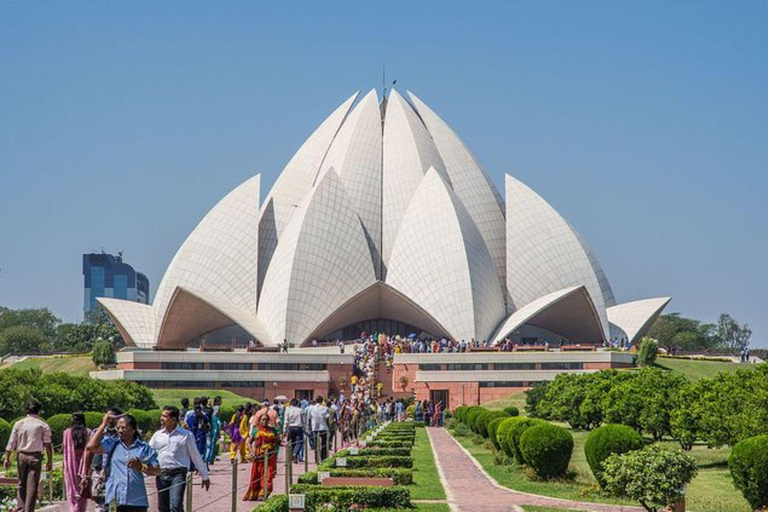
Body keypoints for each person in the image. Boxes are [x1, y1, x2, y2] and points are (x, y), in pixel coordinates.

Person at [86, 413, 160, 512]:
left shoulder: (144, 448)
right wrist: (103, 424)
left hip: (137, 501)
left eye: (123, 428)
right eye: (118, 428)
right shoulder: (112, 443)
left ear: (133, 429)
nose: (120, 431)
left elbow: (157, 470)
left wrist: (141, 467)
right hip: (114, 500)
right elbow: (91, 447)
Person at [149, 406, 210, 512]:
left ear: (173, 419)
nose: (161, 418)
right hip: (161, 474)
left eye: (164, 416)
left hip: (178, 474)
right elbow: (148, 453)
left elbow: (195, 455)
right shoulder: (157, 435)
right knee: (163, 508)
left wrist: (204, 475)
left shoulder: (186, 435)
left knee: (175, 506)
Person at [3, 400, 52, 512]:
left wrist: (7, 458)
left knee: (21, 484)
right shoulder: (42, 425)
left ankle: (20, 509)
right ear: (39, 411)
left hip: (21, 456)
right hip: (35, 456)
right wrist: (49, 461)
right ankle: (29, 510)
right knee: (32, 487)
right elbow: (48, 444)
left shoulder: (19, 423)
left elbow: (11, 442)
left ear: (27, 410)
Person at [80, 406, 122, 512]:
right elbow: (89, 452)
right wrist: (86, 474)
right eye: (108, 417)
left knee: (113, 504)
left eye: (113, 418)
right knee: (99, 501)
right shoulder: (97, 433)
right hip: (98, 472)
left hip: (115, 474)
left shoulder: (121, 434)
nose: (110, 420)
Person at [242, 413, 278, 501]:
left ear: (268, 420)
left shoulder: (273, 430)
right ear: (259, 421)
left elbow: (277, 441)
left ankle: (263, 493)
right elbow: (249, 442)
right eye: (262, 419)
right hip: (259, 458)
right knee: (257, 475)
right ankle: (256, 493)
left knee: (268, 476)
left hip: (270, 457)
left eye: (266, 419)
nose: (264, 421)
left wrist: (283, 444)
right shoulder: (256, 430)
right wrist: (252, 453)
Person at [63, 412, 91, 512]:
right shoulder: (88, 432)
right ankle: (81, 509)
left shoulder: (67, 433)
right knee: (83, 489)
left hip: (71, 465)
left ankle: (73, 509)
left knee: (72, 488)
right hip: (84, 464)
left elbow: (65, 451)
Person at [186, 404, 209, 473]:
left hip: (201, 437)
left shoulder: (204, 417)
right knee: (192, 453)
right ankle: (192, 467)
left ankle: (199, 467)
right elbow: (187, 426)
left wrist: (204, 427)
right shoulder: (191, 418)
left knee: (200, 452)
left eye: (199, 409)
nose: (198, 411)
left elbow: (208, 426)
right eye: (196, 409)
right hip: (193, 437)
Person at [308, 396, 330, 462]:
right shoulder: (325, 408)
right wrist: (328, 426)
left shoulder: (311, 408)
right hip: (323, 427)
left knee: (316, 444)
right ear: (322, 401)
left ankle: (316, 458)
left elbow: (309, 418)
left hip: (314, 427)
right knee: (324, 444)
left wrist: (310, 427)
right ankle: (323, 458)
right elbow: (327, 418)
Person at [283, 399, 304, 463]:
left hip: (290, 427)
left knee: (291, 442)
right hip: (298, 427)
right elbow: (303, 420)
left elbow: (286, 420)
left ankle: (291, 456)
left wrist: (284, 429)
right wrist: (305, 427)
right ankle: (295, 454)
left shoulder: (288, 410)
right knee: (299, 442)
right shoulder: (300, 410)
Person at [205, 397, 222, 465]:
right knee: (213, 443)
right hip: (215, 425)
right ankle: (210, 458)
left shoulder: (211, 408)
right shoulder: (217, 408)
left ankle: (209, 458)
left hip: (211, 425)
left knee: (210, 443)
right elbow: (217, 419)